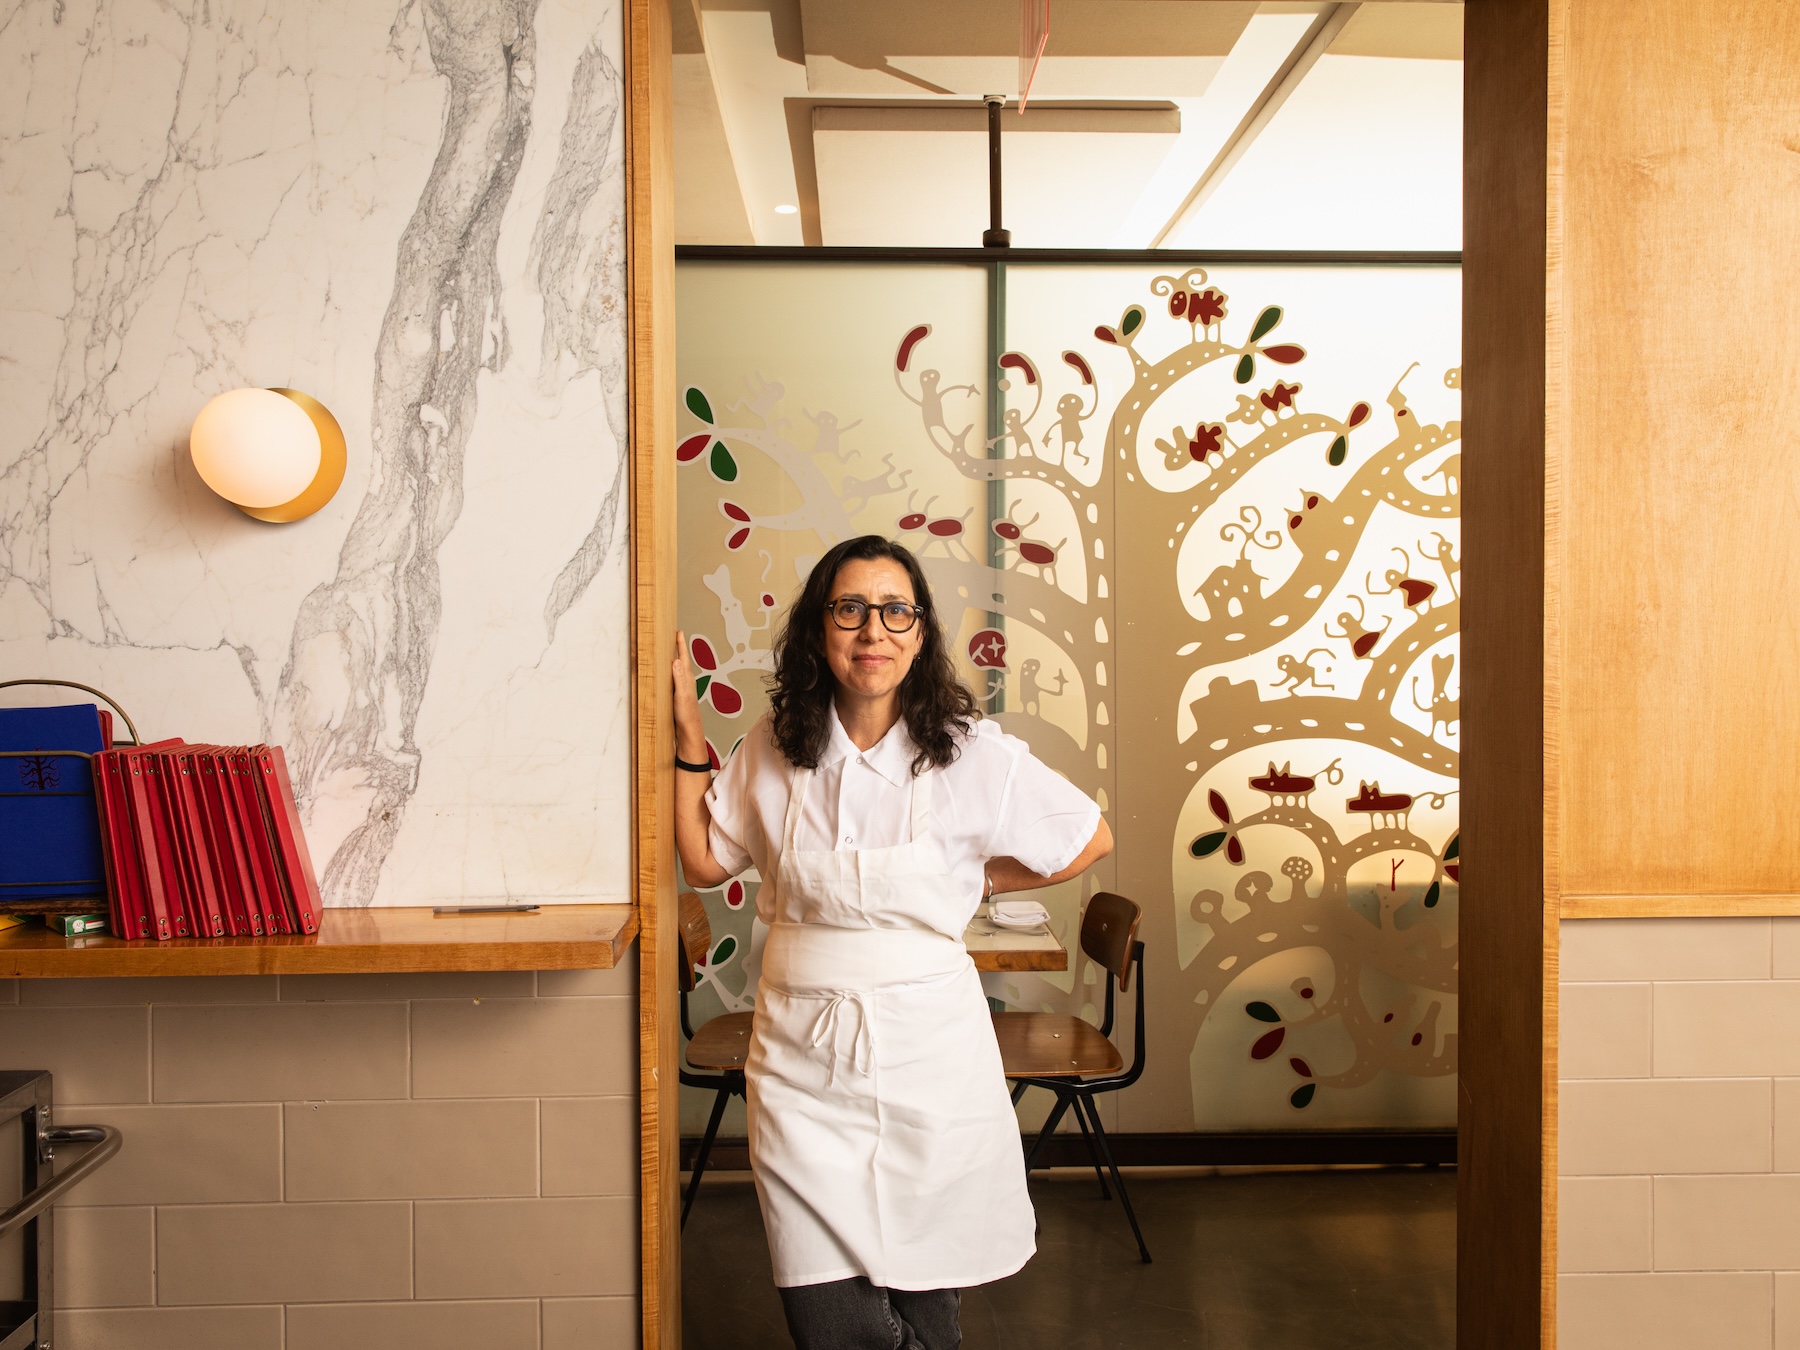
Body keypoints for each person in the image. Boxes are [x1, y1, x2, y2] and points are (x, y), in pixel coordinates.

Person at [673, 534, 1113, 1350]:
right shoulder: (772, 743)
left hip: (929, 1060)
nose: (872, 629)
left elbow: (1089, 837)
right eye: (850, 609)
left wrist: (983, 879)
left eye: (894, 611)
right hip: (799, 1063)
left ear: (919, 633)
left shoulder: (969, 752)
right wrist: (686, 739)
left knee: (925, 1294)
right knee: (824, 1312)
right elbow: (703, 861)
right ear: (819, 630)